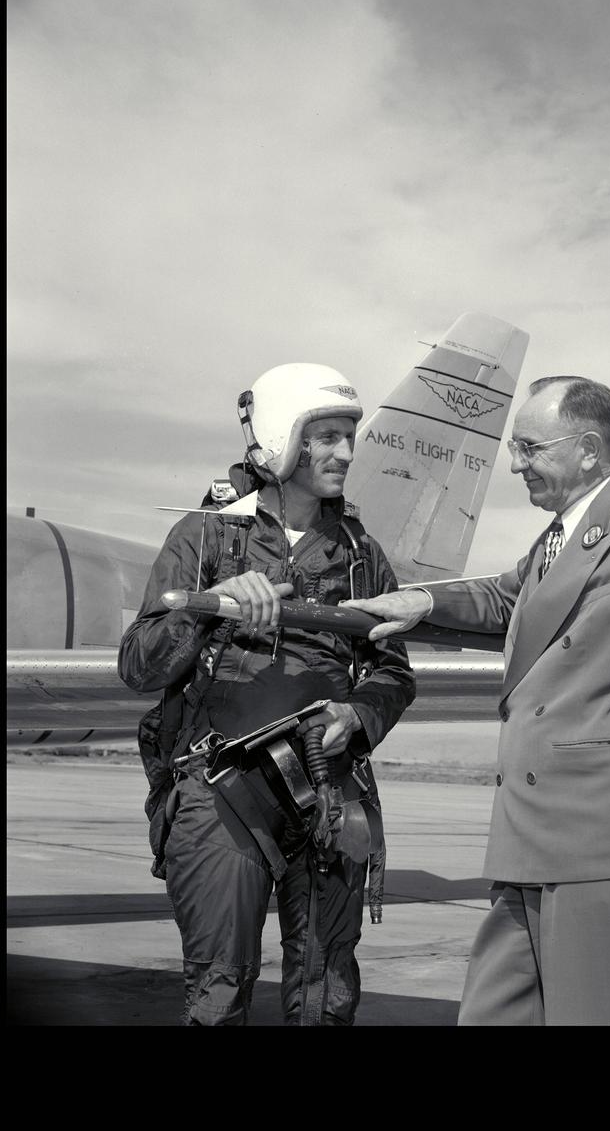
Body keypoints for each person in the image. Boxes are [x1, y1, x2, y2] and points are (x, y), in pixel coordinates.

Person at [344, 375, 610, 1026]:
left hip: (607, 827)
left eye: (530, 449)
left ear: (588, 450)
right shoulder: (559, 539)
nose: (515, 464)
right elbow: (509, 598)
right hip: (536, 831)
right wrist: (423, 600)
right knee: (493, 1011)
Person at [119, 363, 415, 1026]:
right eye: (327, 437)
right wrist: (208, 610)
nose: (345, 453)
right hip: (221, 792)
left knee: (326, 998)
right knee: (218, 995)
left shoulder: (362, 555)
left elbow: (394, 672)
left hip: (328, 792)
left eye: (348, 437)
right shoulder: (208, 535)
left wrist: (359, 712)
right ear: (285, 437)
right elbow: (138, 664)